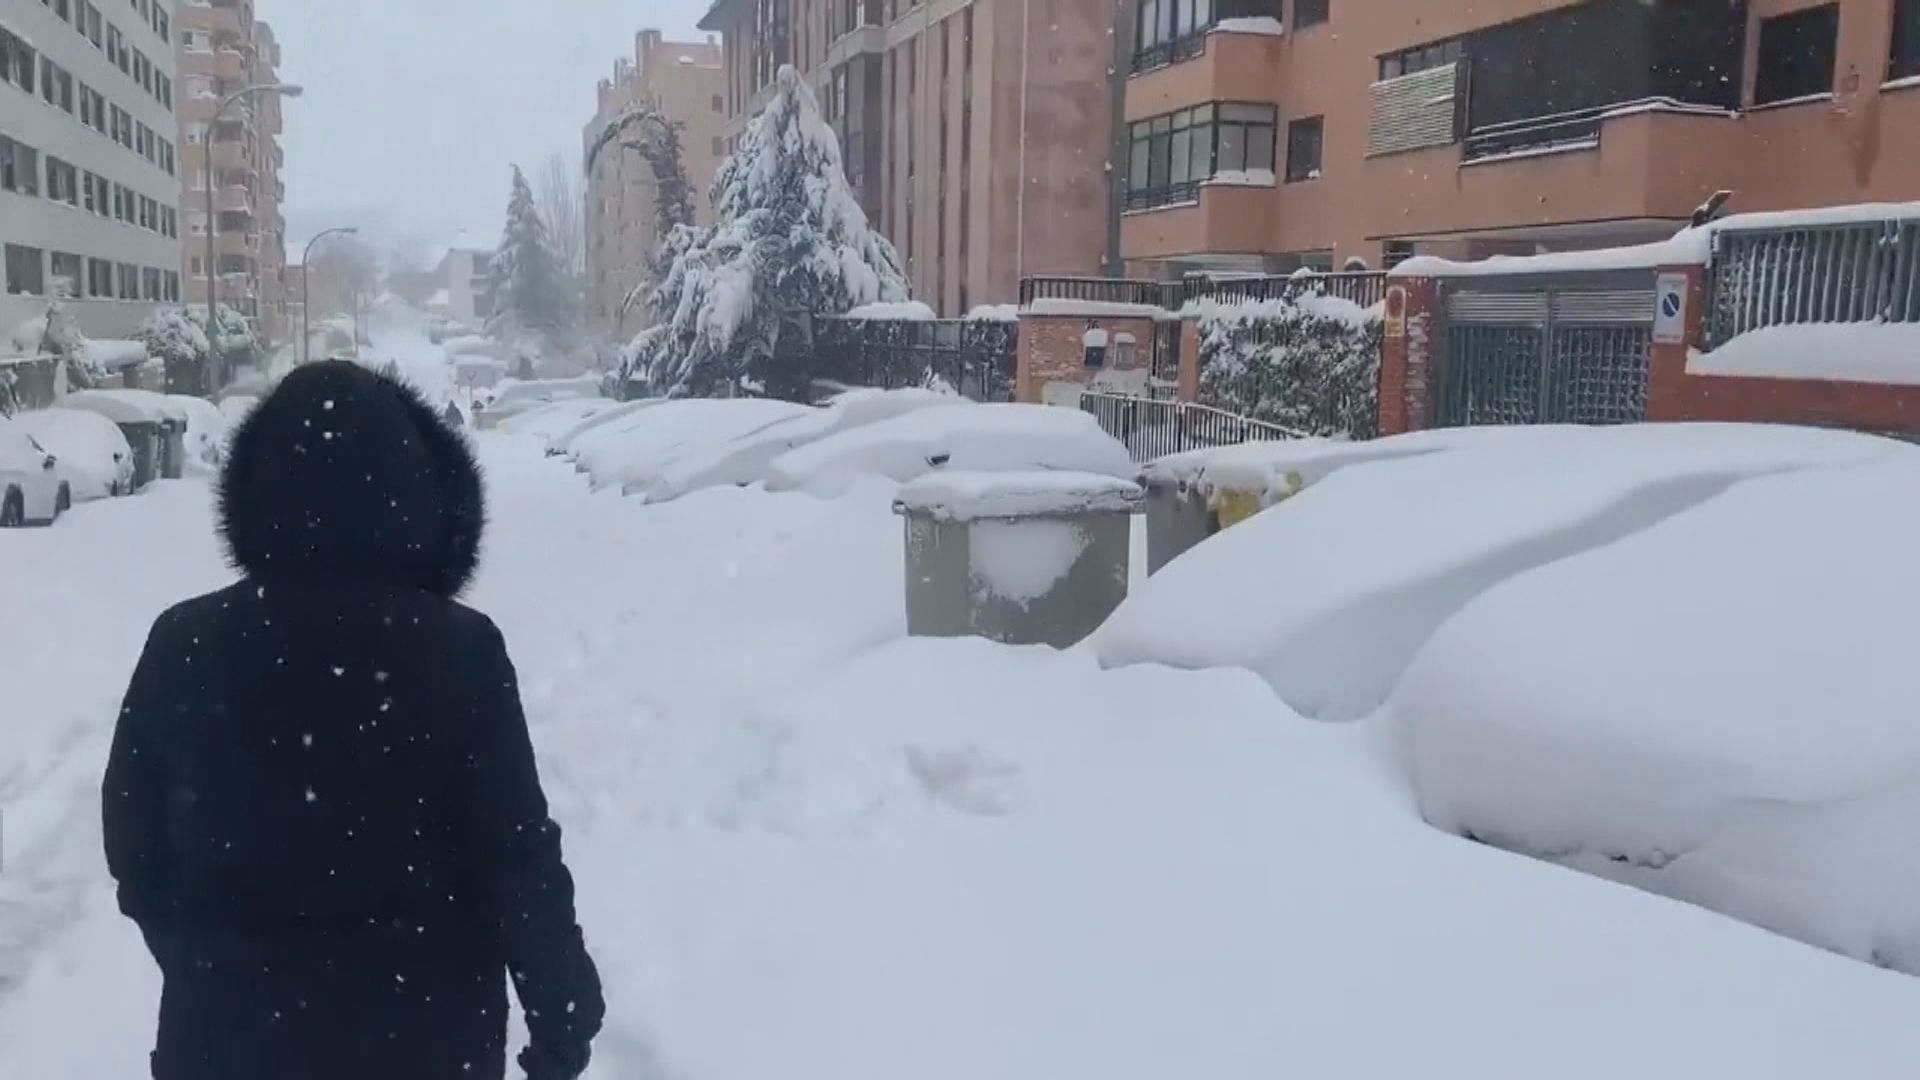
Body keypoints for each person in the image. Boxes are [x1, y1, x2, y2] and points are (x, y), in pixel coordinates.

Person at [103, 361, 604, 1080]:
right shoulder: (460, 650)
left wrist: (203, 957)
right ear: (419, 492)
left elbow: (133, 834)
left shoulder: (188, 642)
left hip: (228, 1041)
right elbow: (516, 851)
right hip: (426, 1041)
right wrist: (561, 1010)